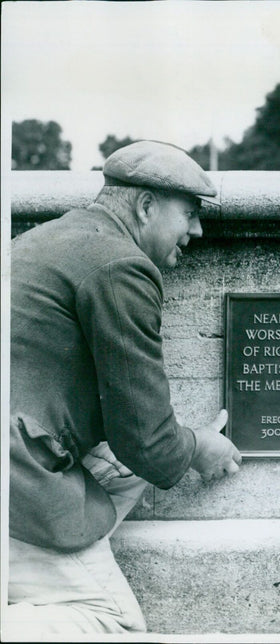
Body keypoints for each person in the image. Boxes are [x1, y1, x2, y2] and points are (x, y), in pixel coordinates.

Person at [5, 140, 242, 635]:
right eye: (190, 213)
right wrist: (200, 446)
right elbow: (147, 443)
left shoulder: (39, 238)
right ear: (146, 205)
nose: (197, 230)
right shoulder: (122, 265)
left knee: (120, 468)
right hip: (18, 477)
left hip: (20, 450)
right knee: (112, 620)